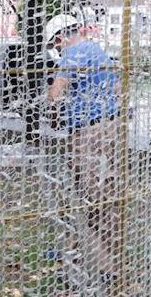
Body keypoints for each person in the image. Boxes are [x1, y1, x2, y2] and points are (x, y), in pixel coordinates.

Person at [45, 15, 122, 276]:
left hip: (88, 133)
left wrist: (54, 118)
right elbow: (117, 89)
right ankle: (74, 247)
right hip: (112, 128)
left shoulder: (72, 54)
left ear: (59, 38)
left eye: (55, 46)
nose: (57, 50)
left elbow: (55, 93)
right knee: (106, 192)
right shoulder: (98, 51)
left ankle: (104, 266)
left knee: (88, 195)